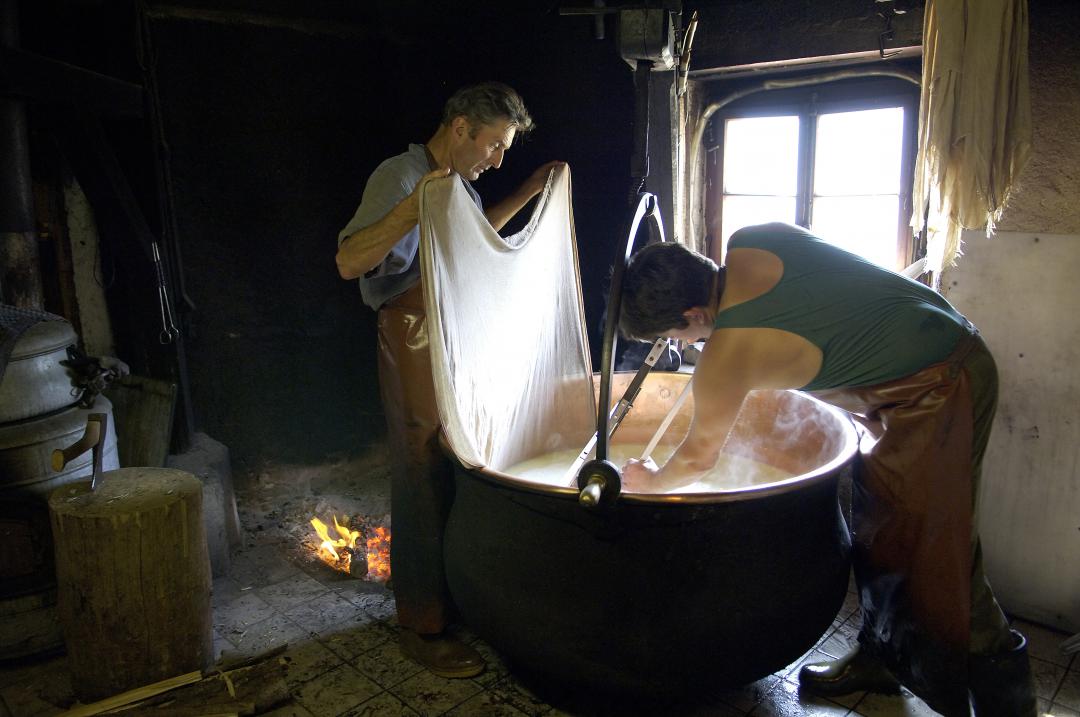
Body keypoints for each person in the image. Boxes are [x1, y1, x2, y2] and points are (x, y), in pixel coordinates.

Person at [617, 222, 1037, 716]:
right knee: (882, 534)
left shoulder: (729, 352)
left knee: (939, 557)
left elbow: (696, 459)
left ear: (694, 314)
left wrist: (650, 480)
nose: (681, 345)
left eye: (674, 335)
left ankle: (1010, 704)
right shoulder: (757, 238)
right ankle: (881, 660)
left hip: (942, 384)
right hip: (929, 361)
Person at [335, 82, 562, 678]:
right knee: (422, 473)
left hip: (456, 333)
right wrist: (415, 206)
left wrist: (527, 192)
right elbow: (349, 261)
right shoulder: (402, 175)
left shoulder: (460, 184)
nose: (497, 159)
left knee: (463, 464)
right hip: (413, 335)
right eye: (495, 145)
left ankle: (461, 598)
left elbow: (472, 240)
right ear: (461, 127)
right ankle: (422, 623)